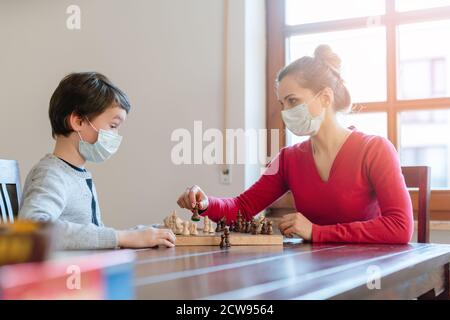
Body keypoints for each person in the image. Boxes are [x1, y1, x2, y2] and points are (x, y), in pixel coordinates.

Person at [177, 45, 413, 244]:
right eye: (282, 104)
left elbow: (400, 227)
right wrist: (207, 203)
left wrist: (316, 232)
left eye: (293, 101)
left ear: (325, 97)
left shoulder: (375, 149)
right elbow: (243, 206)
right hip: (314, 275)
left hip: (367, 275)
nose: (286, 112)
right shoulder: (287, 159)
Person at [19, 72, 176, 249]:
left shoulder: (76, 174)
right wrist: (120, 237)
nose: (115, 135)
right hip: (67, 275)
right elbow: (33, 230)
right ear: (78, 121)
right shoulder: (51, 175)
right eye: (113, 126)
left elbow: (91, 236)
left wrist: (139, 233)